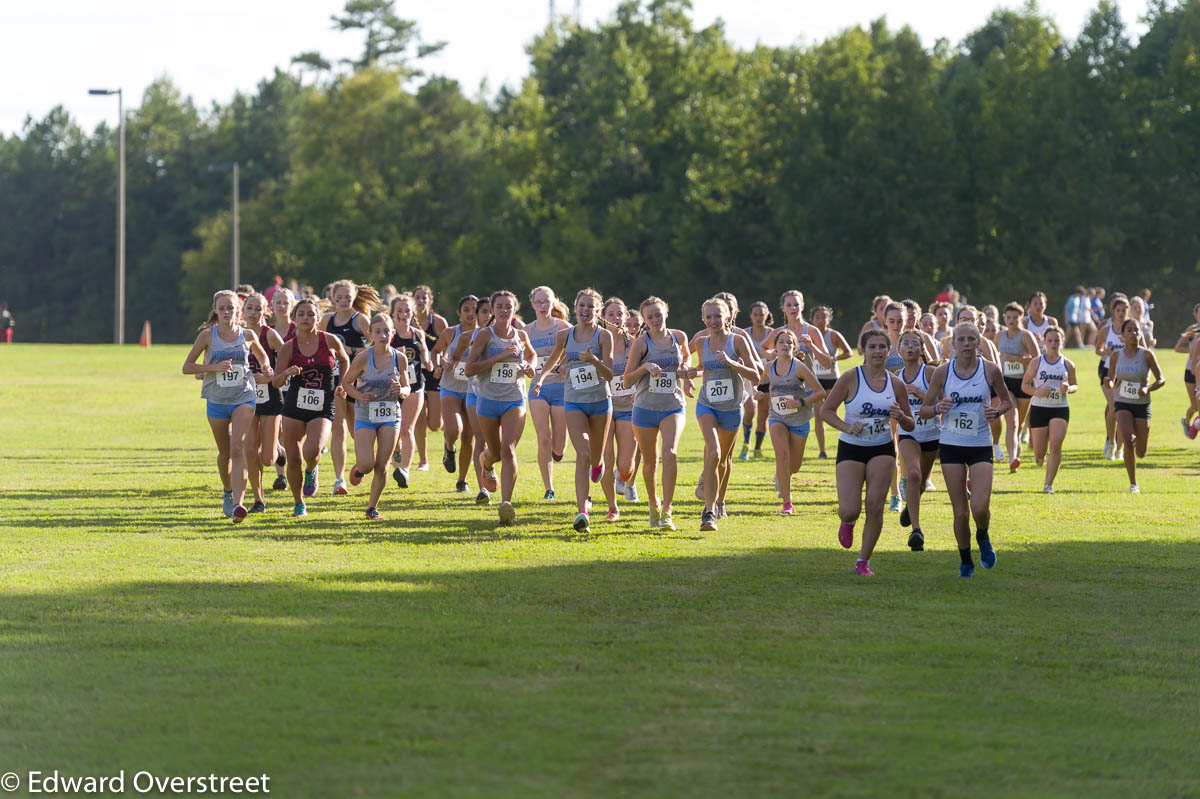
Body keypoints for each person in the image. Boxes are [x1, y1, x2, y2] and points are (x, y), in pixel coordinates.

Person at [820, 329, 916, 576]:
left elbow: (910, 424)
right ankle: (848, 521)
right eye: (872, 347)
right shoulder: (851, 378)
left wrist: (901, 416)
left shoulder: (896, 384)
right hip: (851, 446)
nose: (877, 351)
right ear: (863, 351)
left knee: (875, 506)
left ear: (888, 351)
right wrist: (846, 426)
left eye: (882, 347)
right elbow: (826, 411)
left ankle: (863, 561)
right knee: (850, 508)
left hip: (882, 448)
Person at [919, 322, 1011, 578]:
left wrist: (996, 411)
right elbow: (925, 409)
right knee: (960, 512)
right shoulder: (942, 373)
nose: (967, 344)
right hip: (951, 445)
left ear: (978, 343)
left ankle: (983, 535)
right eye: (962, 340)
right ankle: (965, 560)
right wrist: (938, 408)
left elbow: (1007, 401)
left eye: (972, 339)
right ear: (953, 344)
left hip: (980, 444)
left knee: (979, 508)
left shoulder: (990, 370)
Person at [181, 289, 275, 522]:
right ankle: (227, 490)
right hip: (216, 400)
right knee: (225, 454)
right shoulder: (207, 336)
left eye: (230, 308)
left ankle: (239, 505)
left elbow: (263, 357)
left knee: (237, 448)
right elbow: (187, 366)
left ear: (238, 311)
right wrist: (213, 367)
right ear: (215, 310)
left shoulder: (248, 335)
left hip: (244, 396)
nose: (226, 312)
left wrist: (266, 369)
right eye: (221, 308)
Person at [533, 289, 615, 531]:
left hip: (600, 402)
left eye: (591, 307)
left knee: (597, 458)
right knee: (583, 454)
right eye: (582, 305)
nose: (585, 310)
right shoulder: (564, 336)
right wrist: (541, 378)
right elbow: (552, 360)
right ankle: (582, 511)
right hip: (574, 402)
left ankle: (598, 466)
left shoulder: (604, 336)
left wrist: (594, 361)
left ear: (598, 312)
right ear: (575, 307)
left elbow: (610, 374)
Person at [273, 297, 350, 517]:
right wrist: (287, 373)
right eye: (301, 314)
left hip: (323, 404)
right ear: (294, 318)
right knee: (294, 457)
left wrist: (342, 384)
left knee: (312, 450)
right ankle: (299, 503)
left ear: (318, 317)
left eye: (310, 314)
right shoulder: (289, 347)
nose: (306, 318)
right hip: (294, 406)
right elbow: (276, 381)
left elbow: (345, 360)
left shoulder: (330, 340)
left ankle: (312, 470)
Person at [465, 290, 537, 526]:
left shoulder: (521, 335)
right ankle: (486, 462)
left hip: (514, 398)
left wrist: (529, 366)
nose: (505, 310)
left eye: (509, 306)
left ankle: (506, 503)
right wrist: (499, 357)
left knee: (508, 449)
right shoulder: (486, 335)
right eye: (500, 306)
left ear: (515, 309)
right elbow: (470, 368)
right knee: (494, 452)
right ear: (493, 310)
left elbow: (532, 355)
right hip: (487, 400)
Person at [692, 297, 761, 531]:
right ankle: (708, 511)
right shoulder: (701, 343)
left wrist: (733, 362)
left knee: (724, 460)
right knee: (714, 453)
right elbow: (703, 368)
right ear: (703, 319)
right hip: (706, 405)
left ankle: (720, 501)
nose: (713, 320)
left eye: (717, 316)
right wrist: (692, 372)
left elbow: (756, 375)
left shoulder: (738, 341)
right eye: (708, 317)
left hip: (732, 408)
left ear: (728, 317)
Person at [624, 296, 692, 532]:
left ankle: (668, 511)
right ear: (644, 320)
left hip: (673, 405)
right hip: (644, 409)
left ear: (666, 313)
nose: (654, 319)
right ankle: (654, 503)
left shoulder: (679, 337)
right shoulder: (642, 344)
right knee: (650, 462)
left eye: (658, 314)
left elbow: (686, 357)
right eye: (649, 316)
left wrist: (685, 371)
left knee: (670, 454)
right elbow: (626, 380)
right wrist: (645, 367)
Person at [340, 313, 411, 520]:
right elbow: (346, 383)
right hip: (365, 414)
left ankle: (372, 508)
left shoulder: (400, 358)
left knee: (382, 464)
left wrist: (402, 391)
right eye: (378, 331)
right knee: (367, 464)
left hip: (390, 413)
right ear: (370, 333)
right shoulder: (363, 357)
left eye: (387, 331)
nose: (383, 335)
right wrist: (359, 395)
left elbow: (407, 387)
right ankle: (359, 468)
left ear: (393, 333)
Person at [322, 280, 377, 496]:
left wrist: (349, 350)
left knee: (357, 430)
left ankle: (361, 466)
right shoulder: (326, 321)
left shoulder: (360, 319)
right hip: (334, 380)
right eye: (339, 297)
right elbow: (315, 344)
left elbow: (375, 346)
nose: (344, 301)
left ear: (354, 297)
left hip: (357, 381)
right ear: (332, 299)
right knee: (338, 428)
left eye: (348, 297)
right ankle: (339, 480)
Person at [766, 330, 825, 515]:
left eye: (789, 342)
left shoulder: (799, 367)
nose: (785, 345)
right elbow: (756, 381)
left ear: (795, 347)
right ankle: (787, 502)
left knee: (794, 466)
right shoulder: (768, 367)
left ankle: (783, 474)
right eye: (781, 342)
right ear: (775, 347)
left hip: (799, 419)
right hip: (777, 417)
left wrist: (799, 403)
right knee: (781, 455)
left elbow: (820, 392)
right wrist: (758, 391)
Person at [1106, 318, 1165, 493]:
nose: (1134, 333)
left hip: (1142, 404)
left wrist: (1148, 388)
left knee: (1141, 451)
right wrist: (1109, 383)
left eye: (1137, 330)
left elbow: (1161, 379)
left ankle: (1142, 437)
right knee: (1128, 439)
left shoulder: (1146, 354)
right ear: (1122, 336)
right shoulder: (1116, 356)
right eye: (1129, 330)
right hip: (1122, 402)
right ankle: (1133, 483)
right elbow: (1110, 379)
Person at [241, 292, 286, 513]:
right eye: (250, 308)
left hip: (270, 396)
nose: (254, 313)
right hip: (245, 398)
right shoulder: (237, 334)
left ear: (265, 311)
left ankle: (278, 448)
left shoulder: (270, 335)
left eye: (258, 309)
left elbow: (289, 359)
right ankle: (259, 499)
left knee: (268, 459)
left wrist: (272, 375)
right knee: (249, 449)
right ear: (243, 310)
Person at [896, 330, 941, 551]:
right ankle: (916, 530)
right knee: (913, 474)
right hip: (908, 432)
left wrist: (921, 395)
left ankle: (909, 506)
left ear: (922, 349)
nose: (910, 347)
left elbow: (945, 401)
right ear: (899, 349)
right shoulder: (895, 377)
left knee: (921, 481)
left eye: (915, 343)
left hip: (932, 433)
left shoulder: (931, 373)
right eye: (906, 343)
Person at [525, 286, 571, 499]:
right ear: (533, 304)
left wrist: (566, 365)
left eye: (547, 301)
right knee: (543, 438)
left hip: (562, 388)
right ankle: (549, 488)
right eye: (539, 302)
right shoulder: (526, 331)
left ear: (554, 303)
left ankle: (557, 454)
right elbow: (521, 358)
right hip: (538, 388)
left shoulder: (564, 328)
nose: (543, 306)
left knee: (559, 445)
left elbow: (578, 351)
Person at [432, 295, 480, 493]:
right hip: (451, 386)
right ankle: (449, 447)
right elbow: (436, 351)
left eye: (475, 309)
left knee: (469, 437)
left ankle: (462, 481)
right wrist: (439, 363)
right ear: (459, 313)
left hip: (474, 389)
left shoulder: (484, 334)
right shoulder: (450, 332)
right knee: (453, 429)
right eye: (466, 309)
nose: (471, 313)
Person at [1021, 326, 1077, 493]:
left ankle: (1048, 485)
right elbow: (1024, 385)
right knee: (1039, 452)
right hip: (1039, 408)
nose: (1053, 343)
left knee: (1056, 444)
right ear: (1044, 342)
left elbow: (1075, 385)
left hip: (1060, 408)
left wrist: (1069, 388)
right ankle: (1040, 456)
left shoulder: (1068, 364)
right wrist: (1036, 391)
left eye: (1057, 340)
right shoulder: (1037, 362)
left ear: (1062, 341)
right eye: (1050, 340)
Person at [389, 293, 432, 490]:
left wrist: (435, 365)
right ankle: (396, 454)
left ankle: (404, 470)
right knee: (392, 430)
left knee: (407, 429)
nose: (403, 314)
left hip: (415, 386)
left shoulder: (418, 334)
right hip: (390, 388)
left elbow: (426, 361)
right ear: (393, 313)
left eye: (407, 310)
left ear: (412, 312)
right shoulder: (387, 334)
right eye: (400, 311)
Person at [602, 298, 641, 507]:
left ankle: (623, 478)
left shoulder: (636, 344)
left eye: (620, 314)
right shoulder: (597, 341)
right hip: (603, 408)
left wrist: (640, 389)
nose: (616, 318)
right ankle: (612, 507)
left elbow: (649, 370)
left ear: (626, 317)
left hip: (628, 409)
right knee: (607, 461)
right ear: (603, 317)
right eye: (611, 314)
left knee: (625, 468)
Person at [996, 302, 1039, 472]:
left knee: (1020, 425)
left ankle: (1016, 452)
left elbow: (1037, 360)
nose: (1011, 320)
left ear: (1021, 318)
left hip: (1024, 383)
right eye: (1008, 317)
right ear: (1004, 318)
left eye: (1015, 317)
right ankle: (1012, 458)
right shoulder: (999, 336)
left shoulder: (1026, 336)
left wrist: (1017, 359)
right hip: (1006, 383)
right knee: (1012, 422)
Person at [412, 285, 448, 472]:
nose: (421, 300)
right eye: (417, 297)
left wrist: (441, 365)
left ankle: (449, 439)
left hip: (434, 372)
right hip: (413, 374)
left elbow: (448, 345)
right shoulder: (406, 320)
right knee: (418, 418)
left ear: (430, 300)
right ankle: (423, 460)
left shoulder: (439, 322)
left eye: (424, 297)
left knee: (435, 424)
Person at [809, 304, 852, 460]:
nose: (821, 320)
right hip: (816, 380)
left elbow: (849, 352)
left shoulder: (833, 335)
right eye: (817, 317)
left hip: (833, 380)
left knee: (834, 414)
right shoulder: (808, 334)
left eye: (824, 317)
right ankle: (822, 451)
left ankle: (846, 444)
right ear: (812, 319)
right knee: (819, 415)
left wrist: (834, 358)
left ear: (829, 319)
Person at [1095, 294, 1130, 460]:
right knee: (1115, 404)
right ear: (1113, 311)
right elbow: (1098, 350)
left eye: (1124, 310)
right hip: (1107, 370)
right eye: (1118, 310)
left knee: (1123, 409)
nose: (1121, 313)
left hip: (1127, 373)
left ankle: (1120, 447)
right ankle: (1111, 442)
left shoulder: (1132, 329)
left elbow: (1144, 350)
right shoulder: (1106, 330)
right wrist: (1105, 352)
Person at [739, 301, 774, 461]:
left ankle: (758, 448)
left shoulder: (773, 334)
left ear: (767, 315)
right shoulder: (744, 334)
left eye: (762, 314)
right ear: (750, 316)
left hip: (768, 382)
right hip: (749, 381)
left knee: (763, 416)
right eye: (756, 315)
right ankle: (746, 443)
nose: (759, 317)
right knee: (750, 411)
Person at [1174, 303, 1200, 435]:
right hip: (1191, 372)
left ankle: (1194, 429)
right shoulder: (1192, 329)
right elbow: (1177, 348)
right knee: (1195, 406)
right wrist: (1193, 350)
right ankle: (1186, 422)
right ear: (1195, 315)